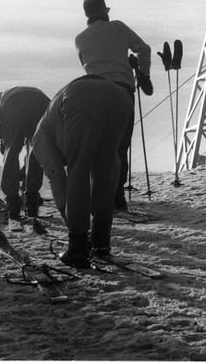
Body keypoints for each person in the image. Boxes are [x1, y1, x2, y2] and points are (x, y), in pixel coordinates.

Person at [32, 75, 133, 268]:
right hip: (120, 97)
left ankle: (77, 250)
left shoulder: (38, 139)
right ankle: (101, 244)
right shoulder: (49, 123)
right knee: (105, 171)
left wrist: (74, 228)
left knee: (78, 171)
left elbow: (59, 181)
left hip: (80, 97)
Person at [74, 0, 152, 212]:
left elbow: (88, 64)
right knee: (120, 146)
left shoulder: (80, 38)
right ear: (105, 11)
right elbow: (144, 49)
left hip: (90, 92)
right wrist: (143, 75)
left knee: (97, 144)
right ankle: (117, 198)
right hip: (121, 89)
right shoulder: (118, 27)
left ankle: (98, 197)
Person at [0, 86, 50, 231]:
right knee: (35, 151)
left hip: (15, 102)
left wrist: (4, 138)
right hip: (43, 102)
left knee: (12, 152)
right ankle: (32, 208)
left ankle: (14, 211)